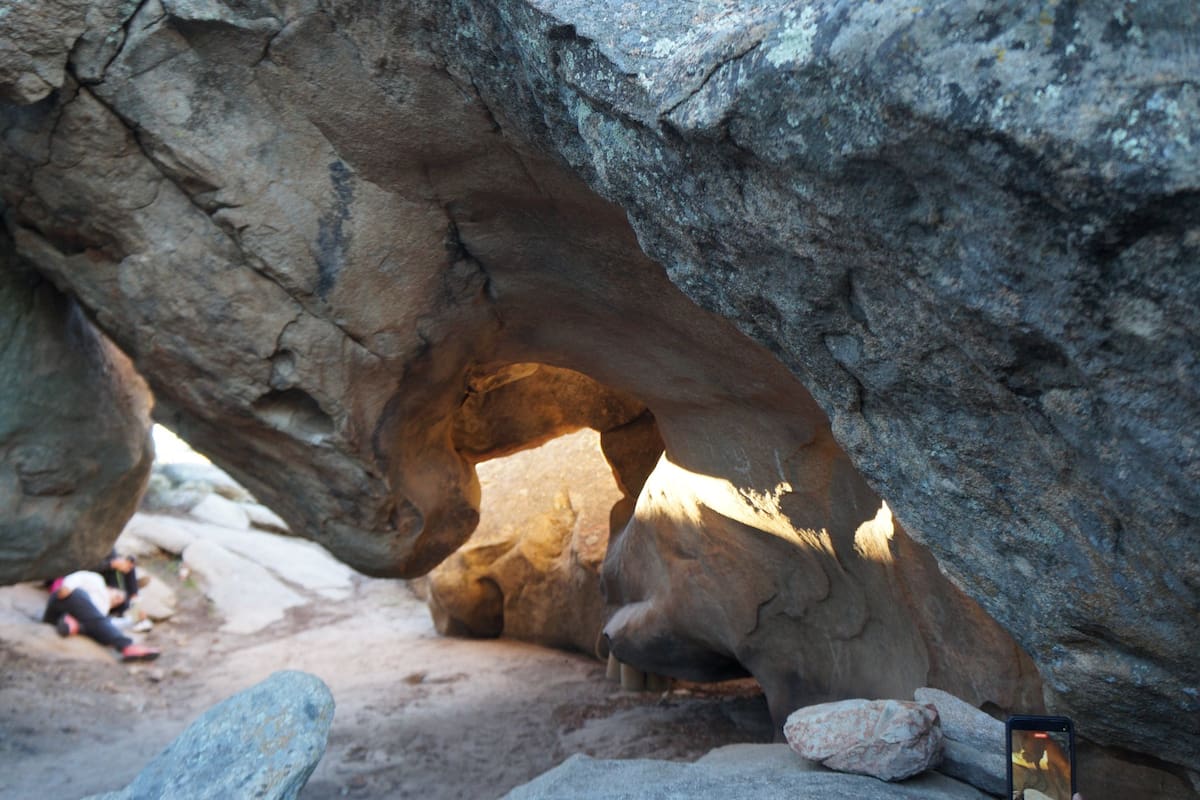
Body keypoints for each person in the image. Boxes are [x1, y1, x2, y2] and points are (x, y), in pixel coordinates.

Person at [42, 570, 159, 662]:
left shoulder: (103, 610)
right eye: (118, 595)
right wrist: (68, 586)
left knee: (97, 624)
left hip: (61, 618)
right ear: (111, 588)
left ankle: (75, 625)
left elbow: (109, 624)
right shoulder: (98, 582)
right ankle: (126, 645)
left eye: (118, 603)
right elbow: (80, 577)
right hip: (64, 599)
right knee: (82, 597)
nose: (118, 600)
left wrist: (134, 619)